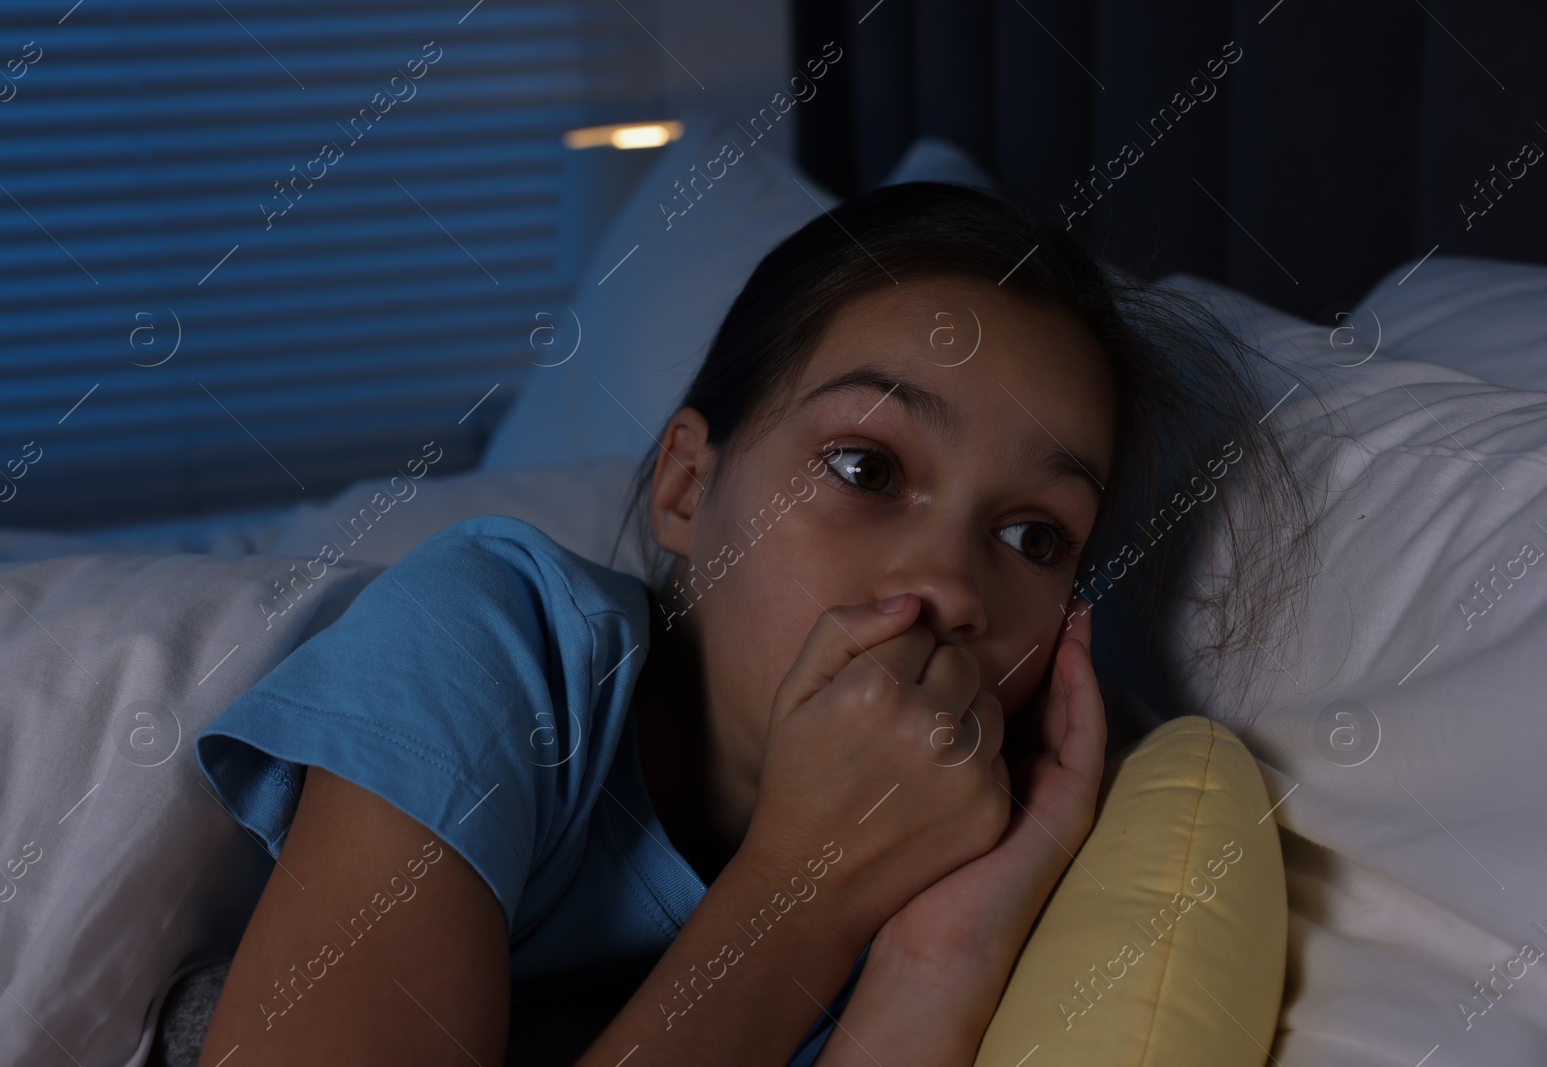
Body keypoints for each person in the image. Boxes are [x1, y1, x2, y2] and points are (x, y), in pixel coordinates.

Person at [191, 181, 1313, 1066]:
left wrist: (937, 960)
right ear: (685, 489)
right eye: (865, 466)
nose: (950, 582)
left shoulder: (985, 848)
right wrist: (804, 888)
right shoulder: (498, 641)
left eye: (1033, 537)